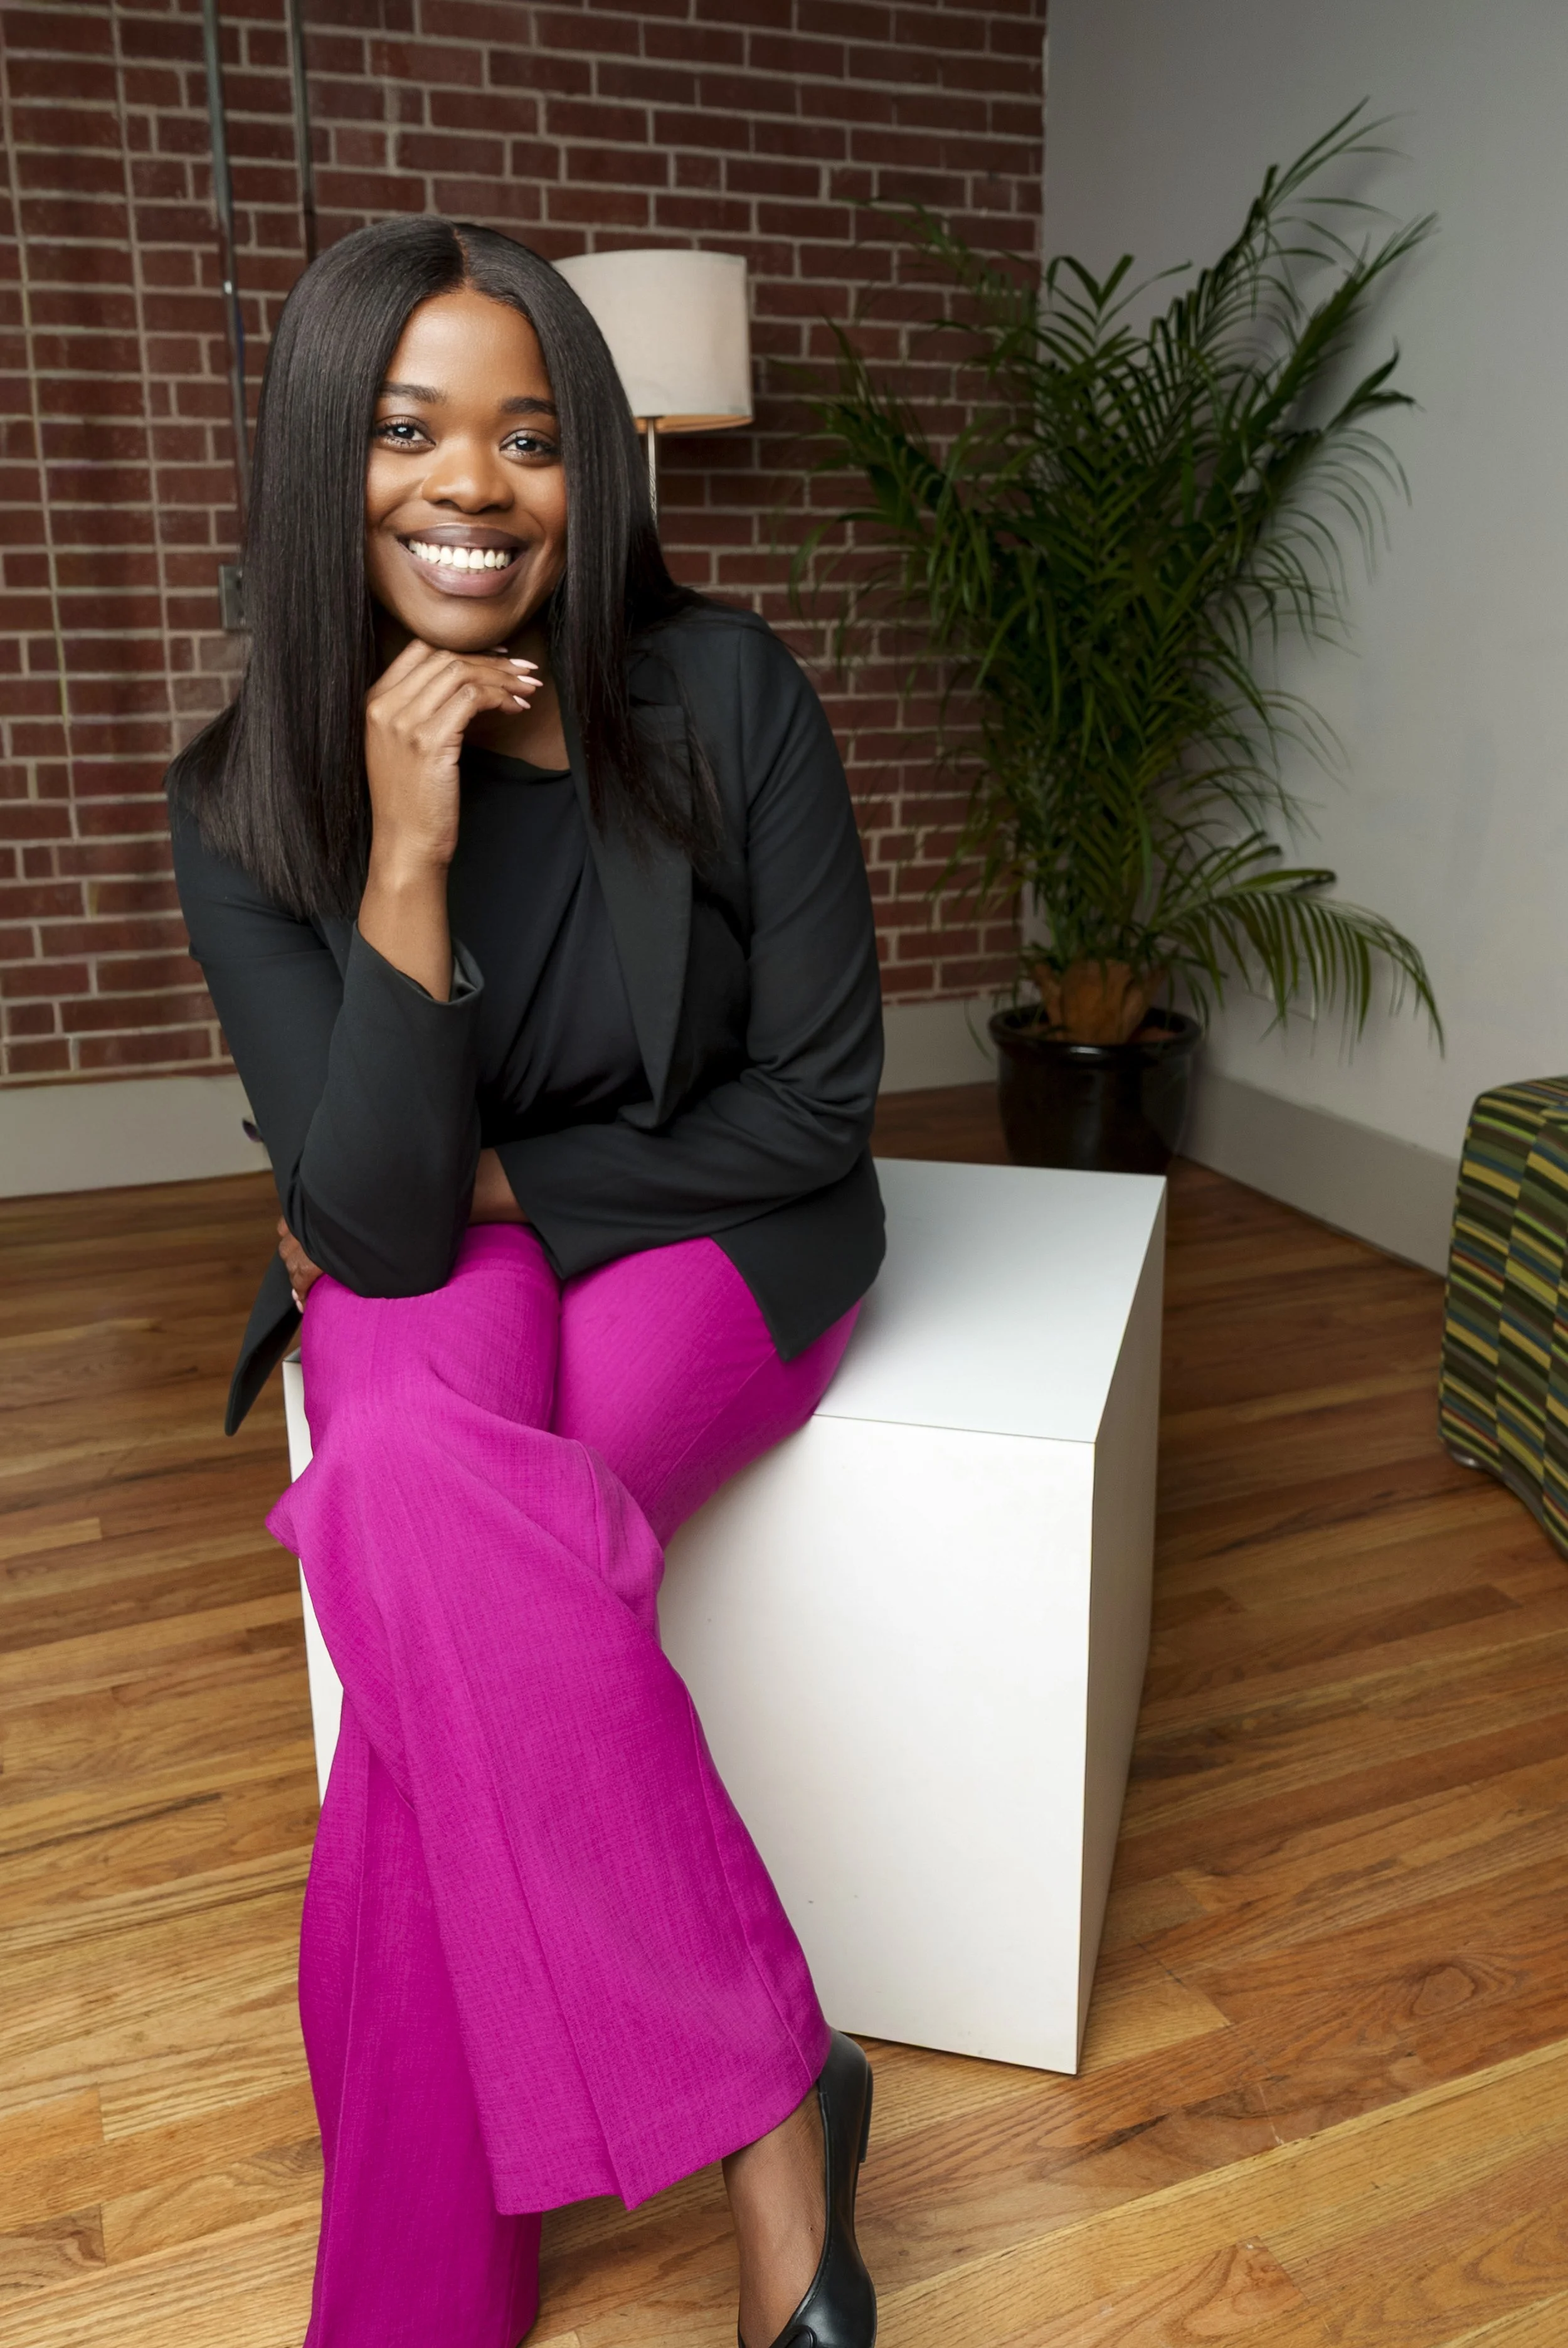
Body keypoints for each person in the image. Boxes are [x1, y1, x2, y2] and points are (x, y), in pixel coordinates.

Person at [167, 216, 886, 2348]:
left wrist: (513, 1170)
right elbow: (386, 1230)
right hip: (435, 1246)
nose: (472, 485)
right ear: (328, 456)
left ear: (591, 472)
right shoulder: (244, 800)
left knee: (425, 1544)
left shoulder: (724, 691)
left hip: (716, 1230)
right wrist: (404, 845)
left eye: (533, 434)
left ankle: (418, 2307)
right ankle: (778, 2092)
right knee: (412, 1477)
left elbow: (817, 1102)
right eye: (407, 430)